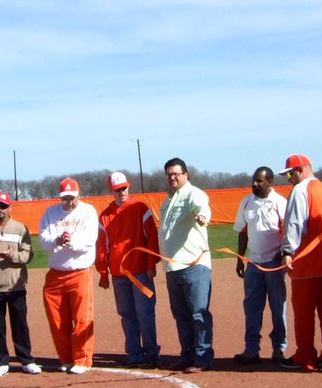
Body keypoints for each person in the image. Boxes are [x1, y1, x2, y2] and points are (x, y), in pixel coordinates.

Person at [278, 154, 322, 371]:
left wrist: (287, 251)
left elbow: (294, 224)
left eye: (290, 173)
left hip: (306, 262)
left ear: (300, 170)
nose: (288, 178)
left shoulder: (300, 191)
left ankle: (305, 357)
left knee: (304, 314)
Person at [96, 171, 161, 369]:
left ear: (128, 187)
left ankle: (151, 353)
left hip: (141, 272)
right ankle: (134, 353)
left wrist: (151, 264)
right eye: (117, 190)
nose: (121, 192)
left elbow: (151, 237)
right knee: (126, 315)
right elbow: (102, 246)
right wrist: (103, 273)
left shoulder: (140, 208)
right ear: (111, 191)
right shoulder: (105, 216)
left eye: (123, 188)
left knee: (145, 313)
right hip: (118, 275)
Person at [0, 192, 41, 377]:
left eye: (3, 206)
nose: (0, 210)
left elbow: (28, 255)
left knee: (20, 325)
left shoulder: (20, 229)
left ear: (10, 208)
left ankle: (27, 360)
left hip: (16, 286)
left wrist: (11, 255)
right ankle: (0, 361)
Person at [38, 178, 99, 374]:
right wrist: (57, 240)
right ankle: (65, 357)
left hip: (80, 271)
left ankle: (82, 359)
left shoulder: (88, 212)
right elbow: (43, 240)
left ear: (79, 196)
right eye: (65, 199)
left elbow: (89, 240)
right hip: (56, 272)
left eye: (72, 198)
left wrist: (70, 241)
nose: (68, 203)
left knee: (82, 317)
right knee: (57, 319)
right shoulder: (51, 212)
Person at [160, 158, 214, 372]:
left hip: (194, 265)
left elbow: (203, 209)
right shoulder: (167, 200)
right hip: (172, 268)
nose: (172, 177)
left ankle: (203, 357)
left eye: (176, 174)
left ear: (186, 174)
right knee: (181, 315)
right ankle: (188, 354)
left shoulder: (195, 194)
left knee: (198, 313)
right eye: (169, 175)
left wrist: (202, 217)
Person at [232, 166, 289, 365]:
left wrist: (284, 256)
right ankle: (251, 349)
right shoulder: (247, 202)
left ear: (270, 182)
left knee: (277, 307)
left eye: (259, 180)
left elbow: (288, 233)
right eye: (253, 180)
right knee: (252, 308)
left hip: (274, 263)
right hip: (253, 264)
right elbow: (242, 231)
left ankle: (279, 349)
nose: (254, 184)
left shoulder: (280, 203)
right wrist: (240, 258)